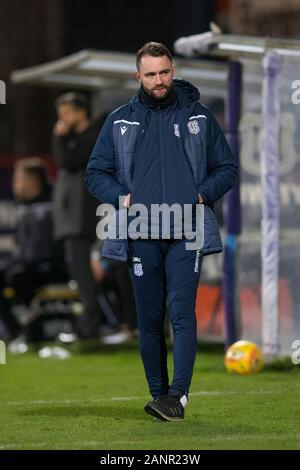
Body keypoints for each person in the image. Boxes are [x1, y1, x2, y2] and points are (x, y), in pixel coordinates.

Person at [85, 42, 238, 421]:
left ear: (173, 70)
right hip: (140, 232)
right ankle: (161, 397)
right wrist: (121, 197)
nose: (159, 80)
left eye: (164, 72)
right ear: (138, 76)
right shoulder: (120, 120)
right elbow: (95, 173)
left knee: (182, 314)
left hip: (187, 230)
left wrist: (201, 194)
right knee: (149, 319)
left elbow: (227, 169)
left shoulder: (199, 116)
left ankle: (179, 396)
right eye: (151, 74)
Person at [52, 92, 107, 341]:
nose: (62, 119)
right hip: (74, 215)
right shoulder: (78, 137)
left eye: (67, 112)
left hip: (83, 214)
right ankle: (88, 324)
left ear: (81, 111)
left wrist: (59, 138)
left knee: (84, 271)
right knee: (80, 270)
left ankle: (90, 326)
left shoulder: (92, 137)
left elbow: (67, 160)